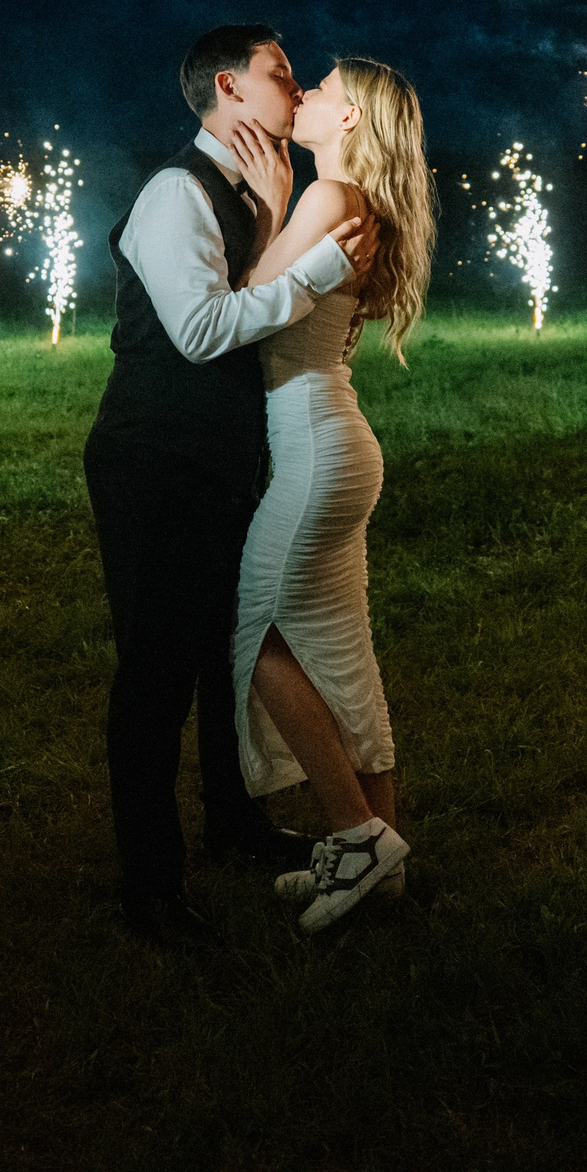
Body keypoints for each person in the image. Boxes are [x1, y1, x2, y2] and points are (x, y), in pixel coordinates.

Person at [86, 23, 371, 946]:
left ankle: (234, 819)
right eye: (279, 74)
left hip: (225, 456)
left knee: (226, 651)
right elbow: (203, 332)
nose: (294, 90)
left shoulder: (261, 185)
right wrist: (323, 263)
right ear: (228, 88)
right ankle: (150, 886)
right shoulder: (176, 191)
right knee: (159, 669)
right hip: (156, 460)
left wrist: (279, 207)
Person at [230, 57, 435, 932]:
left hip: (314, 448)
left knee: (257, 633)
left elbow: (242, 306)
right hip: (338, 443)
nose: (304, 93)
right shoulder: (362, 204)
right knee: (342, 651)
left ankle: (356, 835)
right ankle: (380, 857)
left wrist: (268, 198)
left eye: (320, 87)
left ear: (349, 121)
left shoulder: (326, 199)